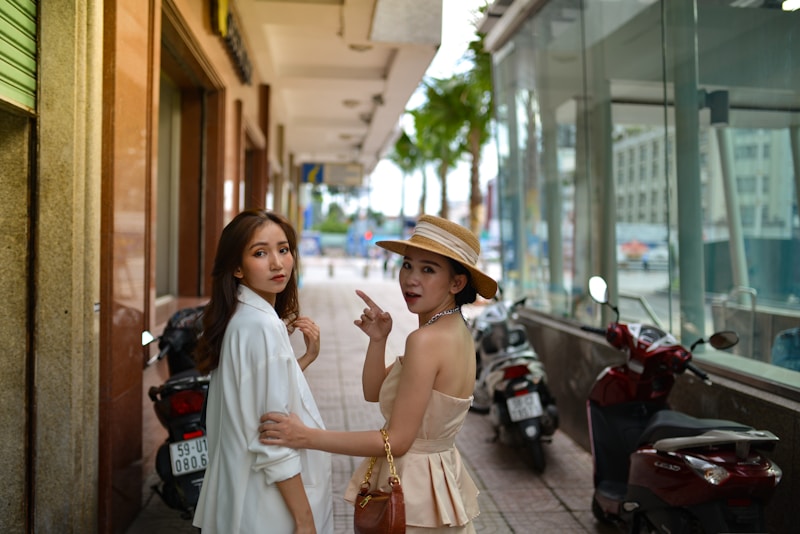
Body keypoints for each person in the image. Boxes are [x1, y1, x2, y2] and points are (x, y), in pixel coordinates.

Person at [258, 214, 498, 533]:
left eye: (428, 269)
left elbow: (396, 441)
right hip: (435, 478)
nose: (411, 278)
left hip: (415, 491)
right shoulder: (455, 331)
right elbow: (374, 392)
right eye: (408, 265)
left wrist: (307, 436)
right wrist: (378, 340)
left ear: (457, 283)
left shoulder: (426, 340)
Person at [192, 209, 333, 534]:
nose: (277, 263)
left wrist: (303, 362)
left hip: (247, 500)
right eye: (260, 253)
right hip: (269, 509)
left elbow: (252, 395)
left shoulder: (241, 318)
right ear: (237, 268)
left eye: (283, 249)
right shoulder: (260, 326)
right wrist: (304, 520)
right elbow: (271, 434)